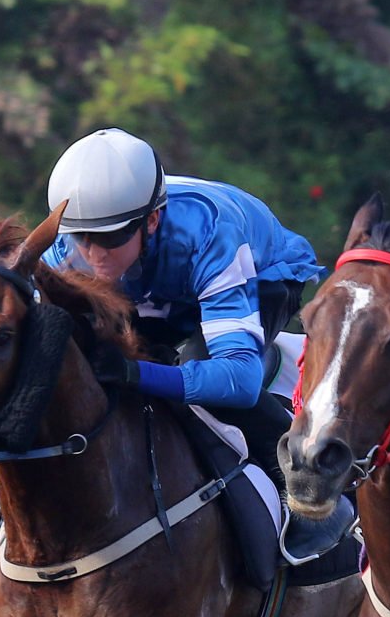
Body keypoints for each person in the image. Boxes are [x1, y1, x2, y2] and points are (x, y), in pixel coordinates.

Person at [41, 127, 351, 556]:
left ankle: (317, 488)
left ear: (151, 219)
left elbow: (239, 379)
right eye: (82, 237)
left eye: (111, 238)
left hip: (264, 277)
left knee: (205, 375)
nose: (94, 255)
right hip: (155, 287)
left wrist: (137, 373)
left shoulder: (207, 233)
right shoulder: (62, 250)